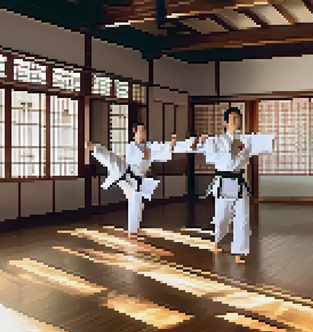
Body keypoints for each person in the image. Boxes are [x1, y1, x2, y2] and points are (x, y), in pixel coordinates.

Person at [175, 107, 274, 264]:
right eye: (233, 119)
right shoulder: (216, 141)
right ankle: (216, 240)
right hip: (223, 182)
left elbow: (265, 142)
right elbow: (197, 148)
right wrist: (198, 141)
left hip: (239, 181)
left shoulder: (246, 140)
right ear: (225, 122)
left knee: (242, 217)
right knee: (222, 216)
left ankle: (239, 251)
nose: (236, 122)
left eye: (238, 118)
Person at [86, 122, 176, 239]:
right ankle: (94, 148)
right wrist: (145, 157)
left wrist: (171, 145)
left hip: (136, 181)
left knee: (136, 203)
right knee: (114, 161)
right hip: (126, 171)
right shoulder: (131, 146)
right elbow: (134, 161)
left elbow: (163, 149)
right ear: (135, 131)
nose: (143, 133)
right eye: (141, 130)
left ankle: (133, 231)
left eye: (144, 130)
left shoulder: (150, 147)